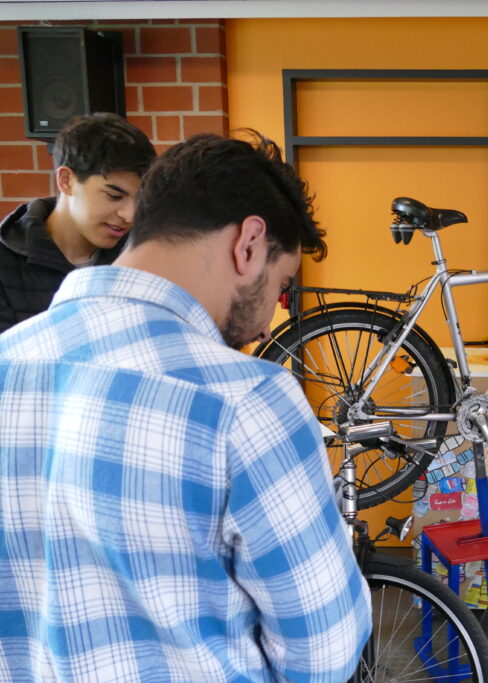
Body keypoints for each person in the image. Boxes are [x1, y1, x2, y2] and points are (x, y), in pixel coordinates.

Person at [0, 131, 371, 681]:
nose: (270, 321)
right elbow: (324, 649)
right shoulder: (248, 400)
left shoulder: (9, 360)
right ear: (249, 243)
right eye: (282, 284)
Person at [0, 112, 156, 334]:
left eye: (139, 199)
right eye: (113, 196)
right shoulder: (5, 263)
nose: (129, 215)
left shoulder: (142, 252)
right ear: (66, 181)